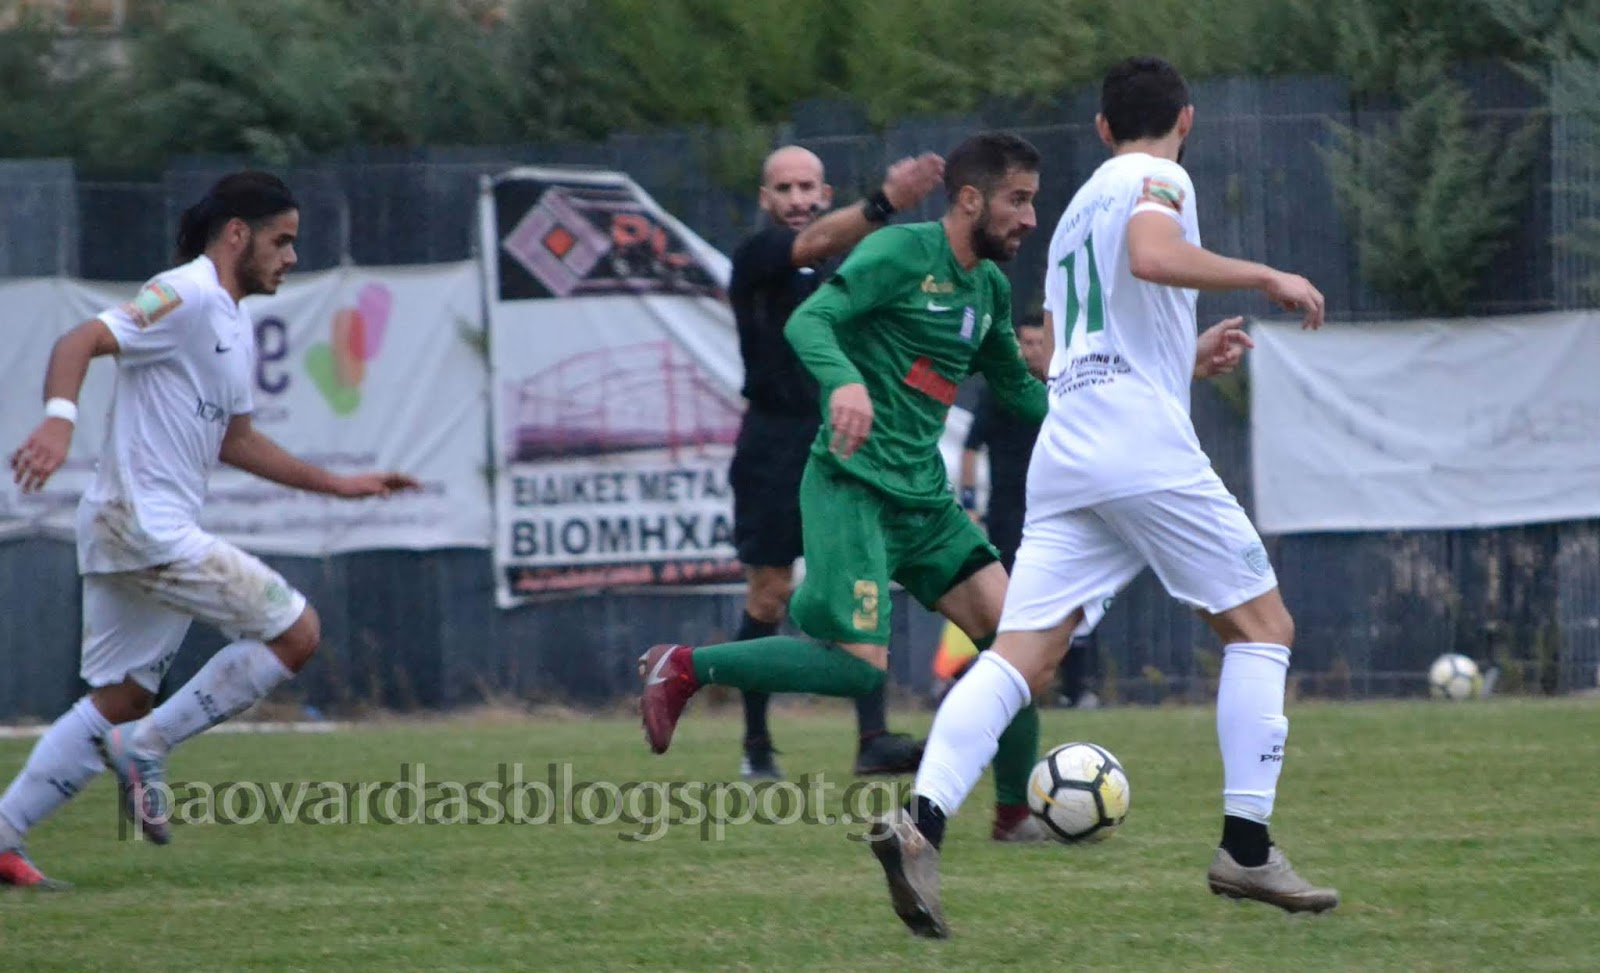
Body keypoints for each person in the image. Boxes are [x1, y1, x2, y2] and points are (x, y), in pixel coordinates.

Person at [867, 55, 1338, 939]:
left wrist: (1182, 360)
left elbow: (1076, 347)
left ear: (1100, 127)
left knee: (1021, 656)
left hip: (1071, 444)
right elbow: (1153, 256)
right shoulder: (1158, 177)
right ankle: (1246, 846)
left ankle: (921, 823)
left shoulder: (1077, 208)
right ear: (1185, 120)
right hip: (1137, 445)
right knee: (1263, 627)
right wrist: (1266, 274)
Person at [0, 172, 419, 888]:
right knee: (296, 632)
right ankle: (148, 744)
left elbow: (238, 441)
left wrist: (342, 484)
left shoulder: (229, 320)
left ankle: (4, 834)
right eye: (281, 240)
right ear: (236, 234)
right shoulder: (186, 292)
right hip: (142, 526)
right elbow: (80, 339)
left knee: (123, 695)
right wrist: (58, 422)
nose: (291, 257)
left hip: (133, 527)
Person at [641, 132, 1060, 841]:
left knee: (1021, 644)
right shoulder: (898, 253)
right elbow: (811, 320)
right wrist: (844, 382)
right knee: (859, 670)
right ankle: (682, 667)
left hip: (923, 500)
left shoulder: (987, 286)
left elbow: (1018, 389)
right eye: (1017, 200)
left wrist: (1110, 404)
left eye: (1031, 202)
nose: (1029, 218)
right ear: (969, 199)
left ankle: (1014, 814)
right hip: (851, 485)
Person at [726, 145, 944, 780]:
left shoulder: (850, 267)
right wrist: (887, 201)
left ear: (824, 193)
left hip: (842, 437)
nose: (797, 199)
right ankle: (756, 743)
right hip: (773, 442)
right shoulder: (758, 255)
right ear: (766, 199)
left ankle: (872, 739)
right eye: (784, 188)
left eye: (807, 187)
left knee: (859, 584)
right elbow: (814, 243)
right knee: (770, 593)